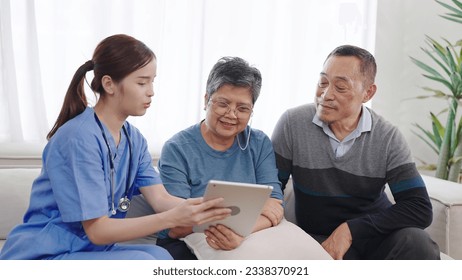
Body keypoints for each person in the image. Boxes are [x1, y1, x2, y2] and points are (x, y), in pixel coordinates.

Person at [0, 34, 230, 260]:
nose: (151, 91)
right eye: (141, 82)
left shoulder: (134, 139)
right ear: (109, 84)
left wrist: (206, 209)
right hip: (44, 254)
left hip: (88, 252)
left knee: (160, 257)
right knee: (144, 263)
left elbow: (161, 199)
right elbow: (98, 230)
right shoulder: (78, 138)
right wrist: (172, 218)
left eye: (152, 81)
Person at [271, 45, 441, 260]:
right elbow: (270, 189)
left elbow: (419, 208)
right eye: (323, 82)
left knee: (418, 243)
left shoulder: (387, 138)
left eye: (340, 87)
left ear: (367, 93)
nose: (326, 94)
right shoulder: (293, 124)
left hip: (371, 236)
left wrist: (351, 230)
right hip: (314, 240)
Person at [154, 56, 286, 259]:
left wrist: (241, 233)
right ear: (206, 100)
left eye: (242, 108)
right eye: (223, 104)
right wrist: (243, 222)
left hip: (249, 237)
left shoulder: (259, 143)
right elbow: (177, 226)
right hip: (185, 241)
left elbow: (275, 206)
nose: (232, 115)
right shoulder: (177, 148)